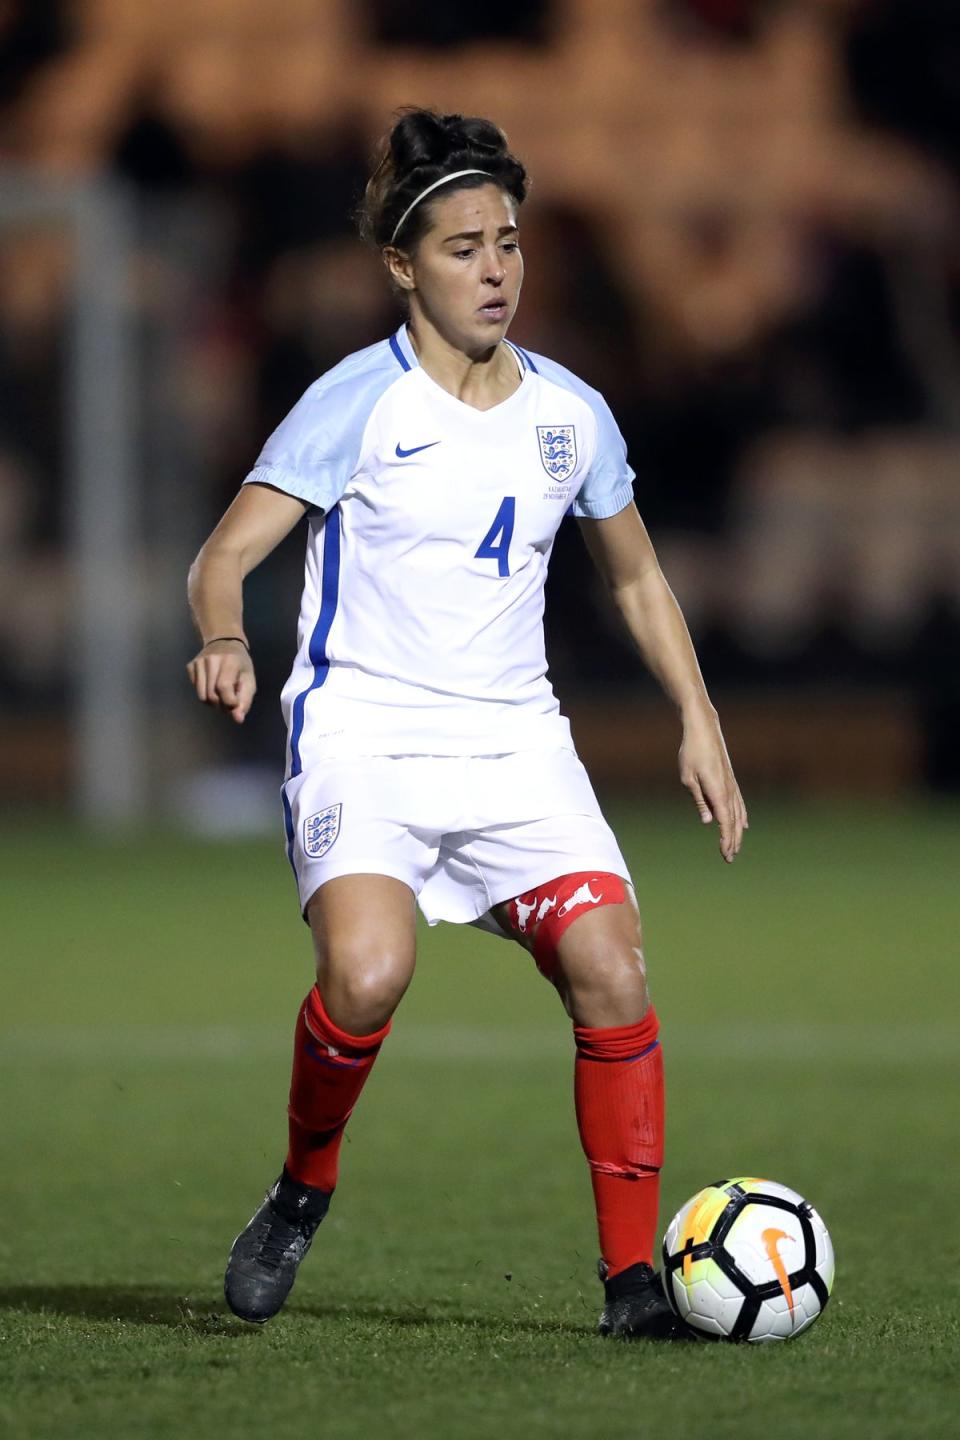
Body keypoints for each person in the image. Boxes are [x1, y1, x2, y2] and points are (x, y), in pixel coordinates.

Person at [186, 109, 747, 1340]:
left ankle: (631, 1285)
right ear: (402, 265)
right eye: (462, 248)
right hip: (367, 732)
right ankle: (301, 1189)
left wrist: (697, 718)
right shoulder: (354, 404)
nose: (495, 269)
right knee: (370, 973)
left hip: (514, 743)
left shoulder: (571, 415)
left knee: (611, 966)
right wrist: (226, 634)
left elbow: (638, 579)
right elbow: (224, 556)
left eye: (509, 242)